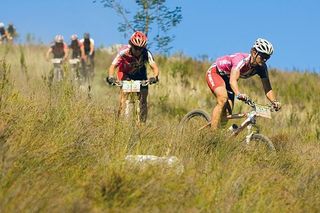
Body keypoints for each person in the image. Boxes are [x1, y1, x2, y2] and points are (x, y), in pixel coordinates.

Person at [206, 38, 281, 129]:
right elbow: (233, 80)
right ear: (254, 52)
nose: (264, 60)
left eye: (267, 57)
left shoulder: (262, 68)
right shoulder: (241, 61)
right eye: (263, 56)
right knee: (223, 99)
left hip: (228, 78)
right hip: (216, 72)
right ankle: (212, 136)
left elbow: (268, 89)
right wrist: (238, 94)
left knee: (227, 114)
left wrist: (274, 102)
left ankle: (218, 135)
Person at [106, 31, 159, 123]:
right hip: (125, 73)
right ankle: (120, 123)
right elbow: (113, 66)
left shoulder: (146, 53)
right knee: (123, 99)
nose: (138, 51)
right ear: (131, 45)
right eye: (135, 48)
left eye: (140, 48)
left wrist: (154, 77)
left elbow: (154, 67)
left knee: (143, 99)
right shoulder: (124, 51)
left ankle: (142, 125)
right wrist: (111, 77)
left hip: (140, 74)